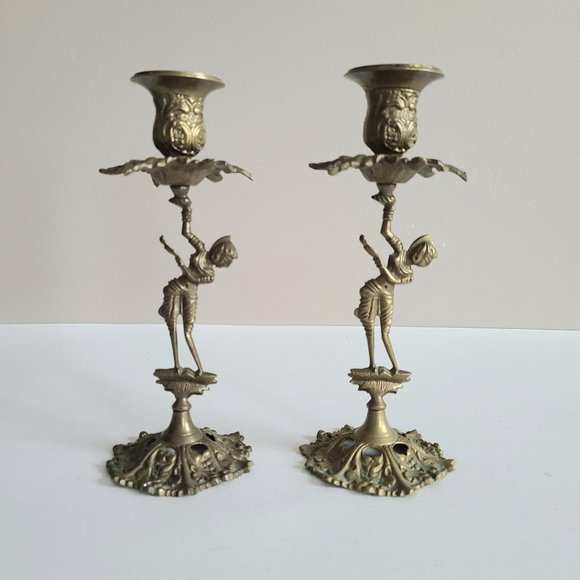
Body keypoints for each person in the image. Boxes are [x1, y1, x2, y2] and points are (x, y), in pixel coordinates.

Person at [355, 189, 437, 374]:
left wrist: (379, 263)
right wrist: (389, 207)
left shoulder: (409, 274)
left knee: (385, 333)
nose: (419, 259)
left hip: (388, 295)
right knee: (369, 326)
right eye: (421, 254)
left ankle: (395, 368)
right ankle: (371, 365)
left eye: (424, 259)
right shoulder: (400, 250)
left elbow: (392, 279)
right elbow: (385, 231)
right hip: (375, 287)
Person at [158, 230, 237, 374]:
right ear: (219, 252)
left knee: (187, 332)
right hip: (177, 287)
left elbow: (193, 278)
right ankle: (176, 365)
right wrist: (186, 215)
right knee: (172, 325)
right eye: (224, 260)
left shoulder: (210, 275)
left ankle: (200, 369)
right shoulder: (201, 250)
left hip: (191, 294)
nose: (221, 264)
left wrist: (182, 265)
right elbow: (186, 232)